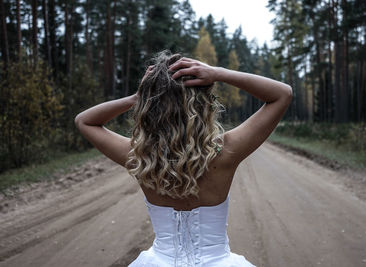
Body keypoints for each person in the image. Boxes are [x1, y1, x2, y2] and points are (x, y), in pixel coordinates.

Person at [75, 51, 292, 266]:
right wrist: (218, 73)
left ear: (150, 108)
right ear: (203, 104)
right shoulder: (224, 152)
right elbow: (282, 94)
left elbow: (85, 121)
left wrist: (138, 97)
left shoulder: (139, 156)